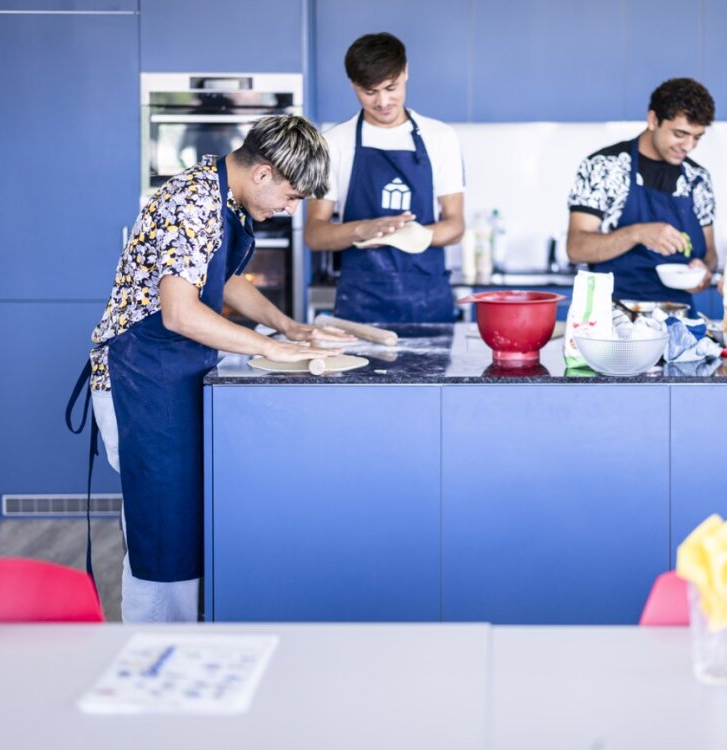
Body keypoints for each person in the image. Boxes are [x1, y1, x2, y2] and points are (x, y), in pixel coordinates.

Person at [86, 115, 352, 622]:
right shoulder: (193, 201)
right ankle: (154, 655)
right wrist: (271, 349)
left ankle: (191, 646)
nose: (291, 209)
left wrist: (287, 326)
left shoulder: (221, 194)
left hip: (172, 374)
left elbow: (221, 279)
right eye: (291, 196)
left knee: (185, 523)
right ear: (263, 173)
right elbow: (179, 313)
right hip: (140, 379)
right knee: (163, 531)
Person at [304, 32, 465, 323]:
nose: (383, 101)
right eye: (370, 91)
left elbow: (455, 226)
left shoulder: (440, 138)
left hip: (427, 302)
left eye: (391, 87)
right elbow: (314, 234)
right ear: (353, 85)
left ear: (406, 72)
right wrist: (362, 229)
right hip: (360, 306)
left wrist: (409, 235)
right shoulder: (333, 143)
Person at [566, 78, 717, 306]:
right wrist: (637, 233)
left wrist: (704, 269)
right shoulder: (603, 167)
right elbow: (576, 248)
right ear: (653, 120)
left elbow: (710, 252)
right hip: (613, 311)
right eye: (680, 134)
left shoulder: (698, 179)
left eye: (696, 137)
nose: (688, 146)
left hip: (677, 313)